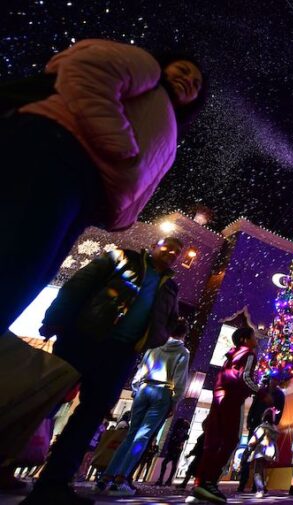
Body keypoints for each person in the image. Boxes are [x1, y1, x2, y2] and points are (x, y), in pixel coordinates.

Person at [0, 39, 205, 340]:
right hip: (56, 152)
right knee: (13, 257)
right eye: (184, 69)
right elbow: (85, 71)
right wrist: (120, 145)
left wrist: (118, 215)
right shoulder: (146, 68)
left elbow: (142, 184)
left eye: (197, 83)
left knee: (26, 275)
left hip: (84, 195)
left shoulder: (168, 128)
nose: (189, 79)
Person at [21, 237, 184, 505]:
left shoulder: (170, 288)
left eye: (177, 252)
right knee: (44, 403)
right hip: (82, 339)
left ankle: (54, 483)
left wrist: (151, 339)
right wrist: (55, 320)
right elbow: (78, 285)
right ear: (154, 245)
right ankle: (6, 461)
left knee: (90, 416)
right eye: (168, 246)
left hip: (120, 354)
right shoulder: (122, 258)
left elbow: (170, 321)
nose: (172, 253)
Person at [96, 319, 190, 496]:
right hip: (162, 391)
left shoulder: (154, 347)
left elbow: (140, 371)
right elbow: (179, 380)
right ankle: (121, 479)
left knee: (131, 434)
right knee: (143, 435)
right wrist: (175, 401)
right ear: (184, 334)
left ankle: (105, 477)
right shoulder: (182, 352)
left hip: (144, 389)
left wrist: (136, 390)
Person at [192, 327, 261, 504]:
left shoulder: (231, 355)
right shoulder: (249, 354)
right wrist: (260, 392)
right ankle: (210, 482)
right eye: (254, 336)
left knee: (214, 439)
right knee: (230, 439)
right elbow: (244, 377)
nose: (256, 339)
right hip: (233, 398)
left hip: (219, 395)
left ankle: (200, 482)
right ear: (245, 339)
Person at [240, 375, 284, 492]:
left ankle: (257, 486)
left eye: (276, 380)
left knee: (262, 457)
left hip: (267, 426)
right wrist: (249, 420)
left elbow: (280, 410)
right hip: (255, 424)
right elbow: (254, 406)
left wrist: (274, 423)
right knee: (249, 451)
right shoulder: (262, 391)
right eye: (273, 379)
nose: (274, 382)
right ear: (269, 380)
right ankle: (242, 482)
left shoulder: (279, 395)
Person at [247, 408, 279, 498]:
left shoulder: (262, 427)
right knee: (263, 470)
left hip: (261, 450)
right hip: (270, 451)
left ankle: (260, 490)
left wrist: (250, 445)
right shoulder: (274, 429)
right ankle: (263, 487)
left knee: (257, 471)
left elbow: (254, 439)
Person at [156, 419, 190, 486]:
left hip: (174, 449)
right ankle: (167, 480)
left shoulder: (180, 430)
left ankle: (163, 480)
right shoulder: (182, 430)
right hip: (175, 449)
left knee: (167, 463)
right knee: (172, 464)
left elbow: (179, 439)